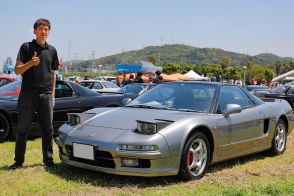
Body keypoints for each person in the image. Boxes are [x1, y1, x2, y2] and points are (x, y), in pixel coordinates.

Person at [9, 18, 59, 170]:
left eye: (46, 29)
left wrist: (53, 96)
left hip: (46, 95)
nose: (43, 32)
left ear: (48, 32)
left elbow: (53, 74)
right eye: (41, 29)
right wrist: (30, 63)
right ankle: (18, 161)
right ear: (34, 31)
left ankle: (49, 160)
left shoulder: (52, 50)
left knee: (48, 130)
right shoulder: (26, 47)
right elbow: (17, 71)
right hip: (28, 95)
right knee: (23, 129)